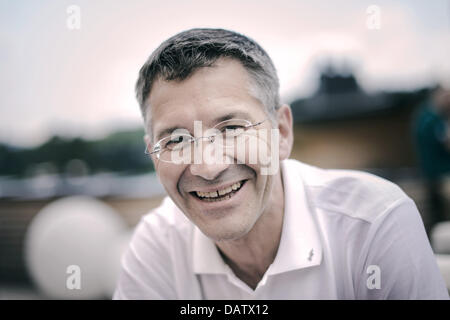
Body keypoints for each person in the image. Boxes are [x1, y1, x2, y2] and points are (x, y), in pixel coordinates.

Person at [114, 28, 448, 299]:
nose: (207, 167)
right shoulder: (157, 244)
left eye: (231, 129)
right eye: (176, 140)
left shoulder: (373, 224)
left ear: (282, 132)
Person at [414, 86, 450, 234]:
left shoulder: (426, 115)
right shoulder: (431, 118)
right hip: (439, 174)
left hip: (433, 173)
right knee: (439, 215)